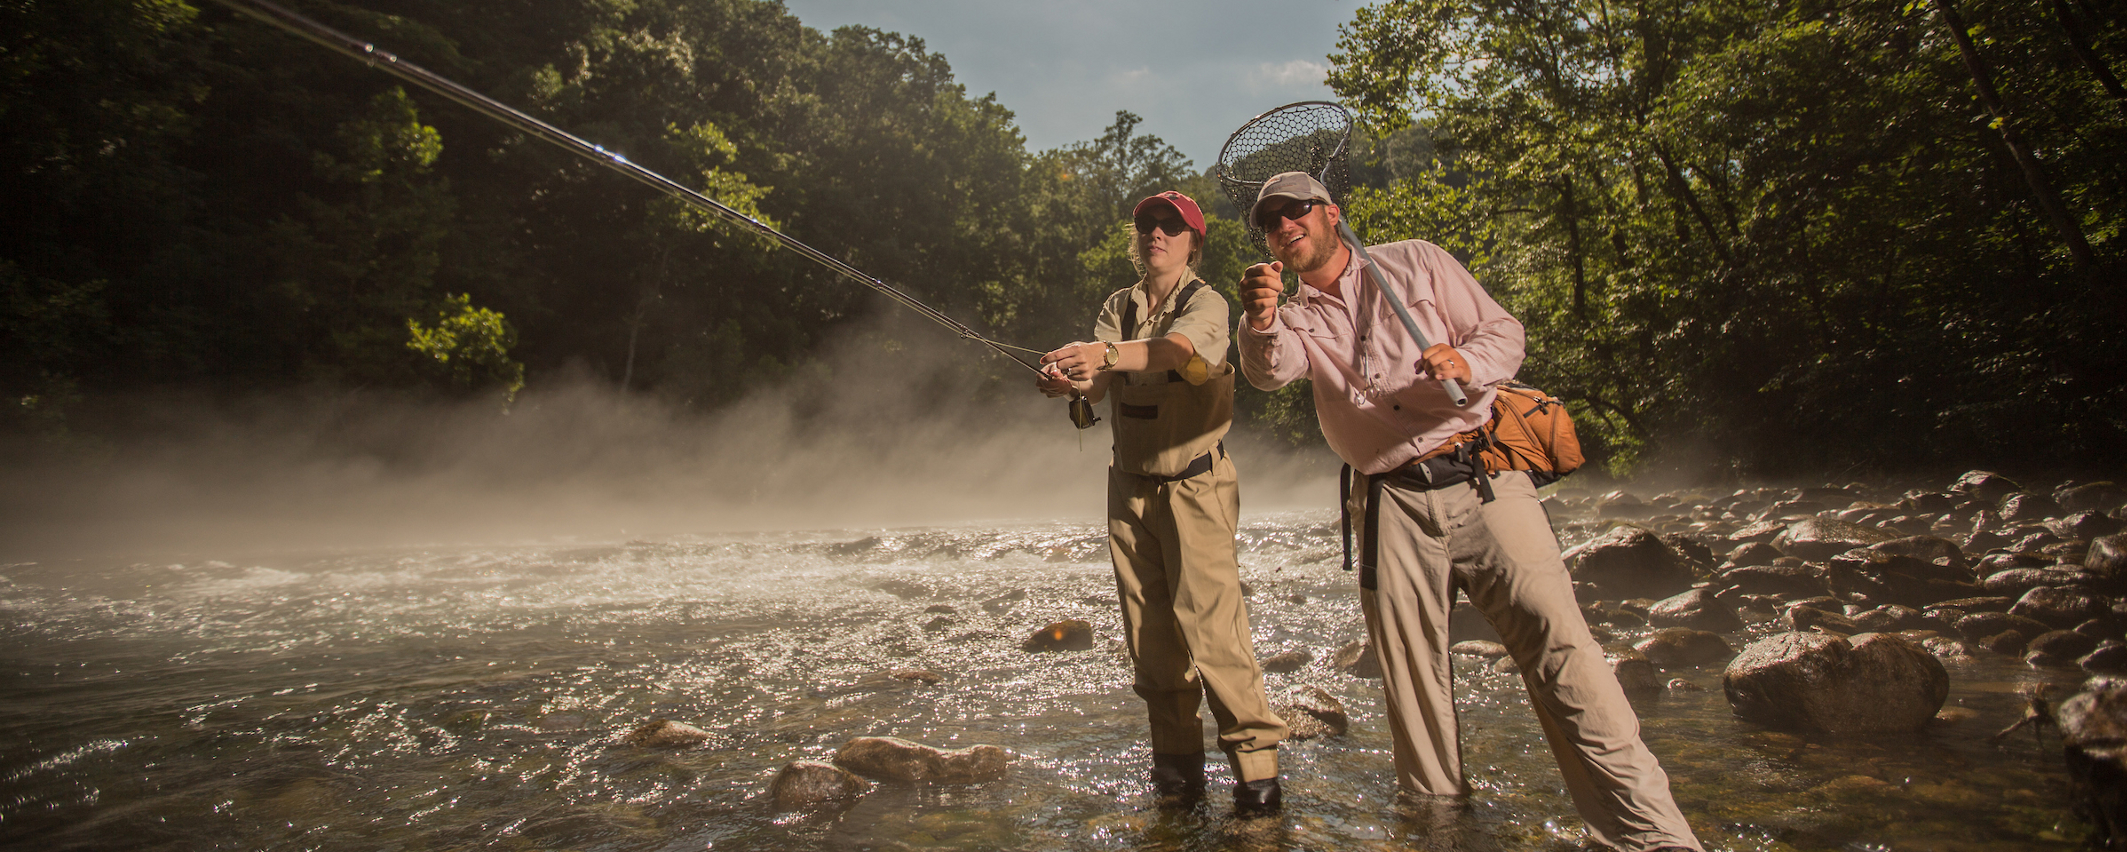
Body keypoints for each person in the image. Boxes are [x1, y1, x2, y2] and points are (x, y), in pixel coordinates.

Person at [1233, 172, 1703, 851]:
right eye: (1268, 221)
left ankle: (1649, 838)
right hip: (1388, 502)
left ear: (1331, 213)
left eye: (1294, 210)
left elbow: (1503, 331)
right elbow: (1269, 370)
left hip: (1483, 475)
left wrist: (1467, 360)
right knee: (1410, 685)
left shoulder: (1416, 261)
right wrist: (1258, 319)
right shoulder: (1290, 313)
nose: (1281, 225)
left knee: (1563, 653)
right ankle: (1440, 836)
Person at [1037, 190, 1288, 813]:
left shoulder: (1207, 302)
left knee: (1215, 635)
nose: (1156, 233)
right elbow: (1094, 385)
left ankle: (1257, 779)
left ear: (1192, 242)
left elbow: (1176, 352)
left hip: (1196, 485)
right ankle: (1177, 777)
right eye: (1148, 224)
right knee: (1150, 641)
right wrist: (1068, 381)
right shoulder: (1117, 307)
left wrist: (1105, 357)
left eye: (1170, 227)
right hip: (1129, 487)